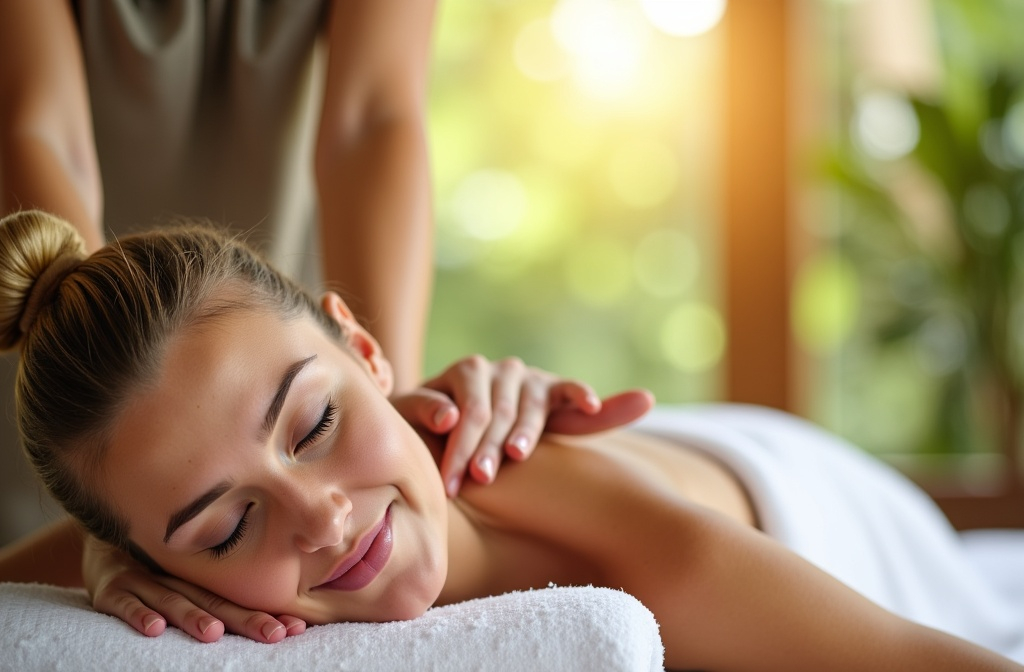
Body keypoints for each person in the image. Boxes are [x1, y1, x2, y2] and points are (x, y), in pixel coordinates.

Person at [2, 210, 1022, 671]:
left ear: (367, 355)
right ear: (151, 562)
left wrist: (187, 540)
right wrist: (96, 563)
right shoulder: (139, 559)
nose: (321, 518)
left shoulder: (635, 552)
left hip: (805, 498)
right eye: (228, 527)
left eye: (315, 424)